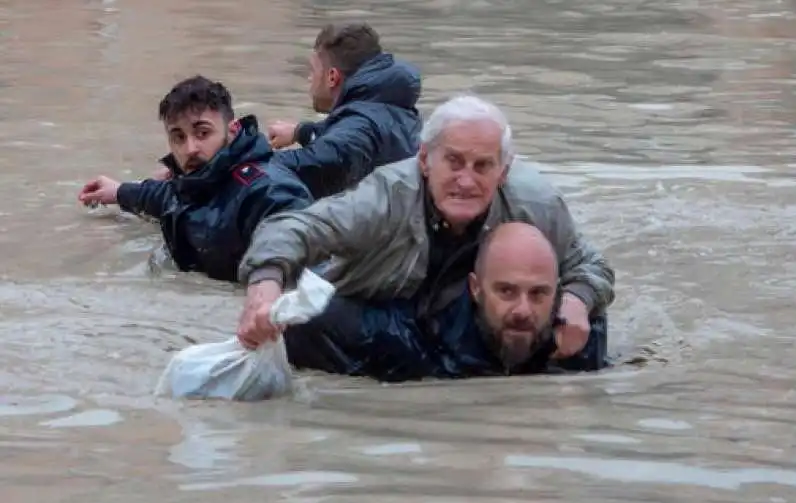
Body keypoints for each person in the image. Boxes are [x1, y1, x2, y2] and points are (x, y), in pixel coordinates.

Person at [236, 94, 615, 377]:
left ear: (503, 171)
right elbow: (291, 228)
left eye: (482, 166)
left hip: (476, 321)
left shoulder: (537, 203)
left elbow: (591, 266)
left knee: (588, 330)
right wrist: (264, 287)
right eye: (453, 161)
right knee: (304, 321)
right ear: (424, 160)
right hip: (390, 318)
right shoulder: (384, 197)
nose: (466, 181)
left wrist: (578, 301)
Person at [279, 222, 609, 382]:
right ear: (476, 288)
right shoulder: (413, 337)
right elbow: (306, 319)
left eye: (538, 294)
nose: (523, 310)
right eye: (506, 292)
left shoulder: (579, 339)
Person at [77, 75, 312, 283]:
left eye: (203, 133)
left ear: (232, 131)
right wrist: (118, 192)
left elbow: (300, 237)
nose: (190, 148)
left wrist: (267, 284)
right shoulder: (196, 182)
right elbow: (166, 197)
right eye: (178, 137)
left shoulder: (265, 190)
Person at [268, 23, 422, 199]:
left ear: (332, 77)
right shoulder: (387, 107)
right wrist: (300, 132)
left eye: (313, 71)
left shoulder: (360, 125)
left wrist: (244, 161)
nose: (310, 79)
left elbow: (324, 159)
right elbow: (346, 136)